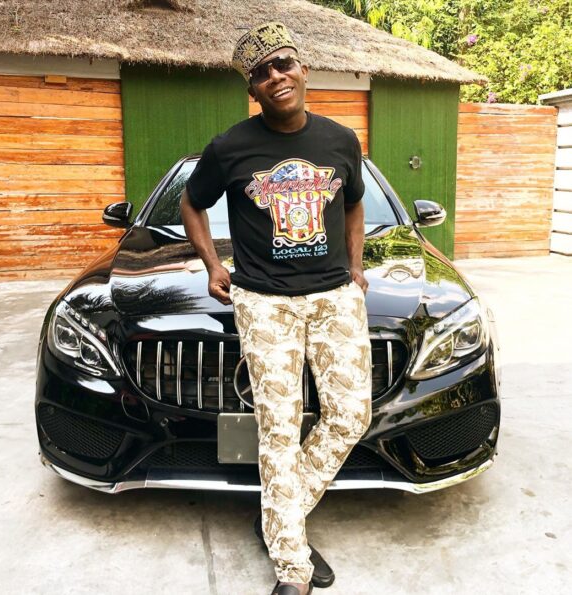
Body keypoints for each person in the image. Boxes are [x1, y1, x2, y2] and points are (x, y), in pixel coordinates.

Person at [181, 22, 373, 595]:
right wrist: (213, 265)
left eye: (283, 64)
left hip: (335, 297)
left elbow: (354, 205)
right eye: (261, 73)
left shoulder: (341, 141)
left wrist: (356, 267)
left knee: (350, 416)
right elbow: (192, 203)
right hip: (265, 304)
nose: (275, 76)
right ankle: (293, 569)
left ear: (303, 69)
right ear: (253, 89)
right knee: (279, 432)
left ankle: (278, 514)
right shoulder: (229, 147)